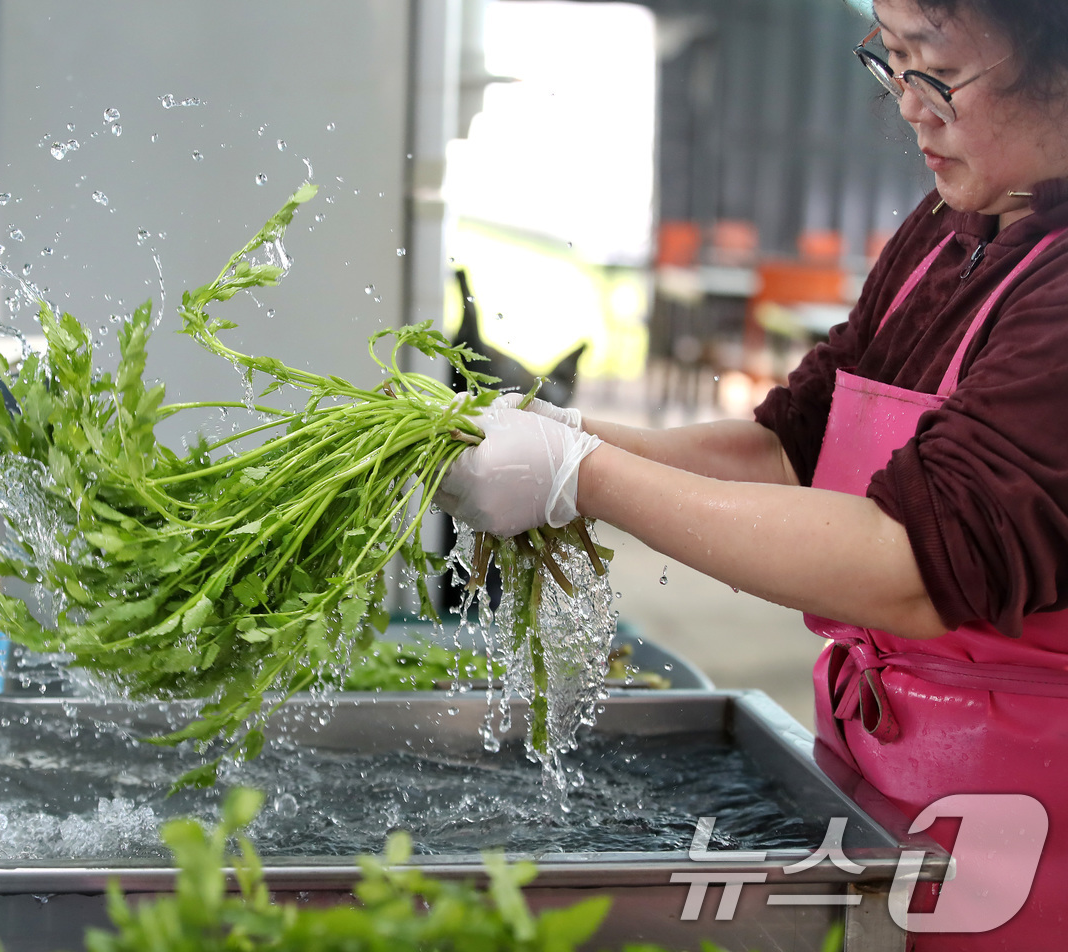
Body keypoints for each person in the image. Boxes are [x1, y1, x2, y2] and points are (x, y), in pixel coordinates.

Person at [438, 0, 1068, 947]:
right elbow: (783, 452)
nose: (908, 106)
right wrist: (554, 432)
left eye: (935, 70)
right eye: (889, 61)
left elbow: (915, 564)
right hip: (890, 775)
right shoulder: (946, 233)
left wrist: (587, 477)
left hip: (1033, 818)